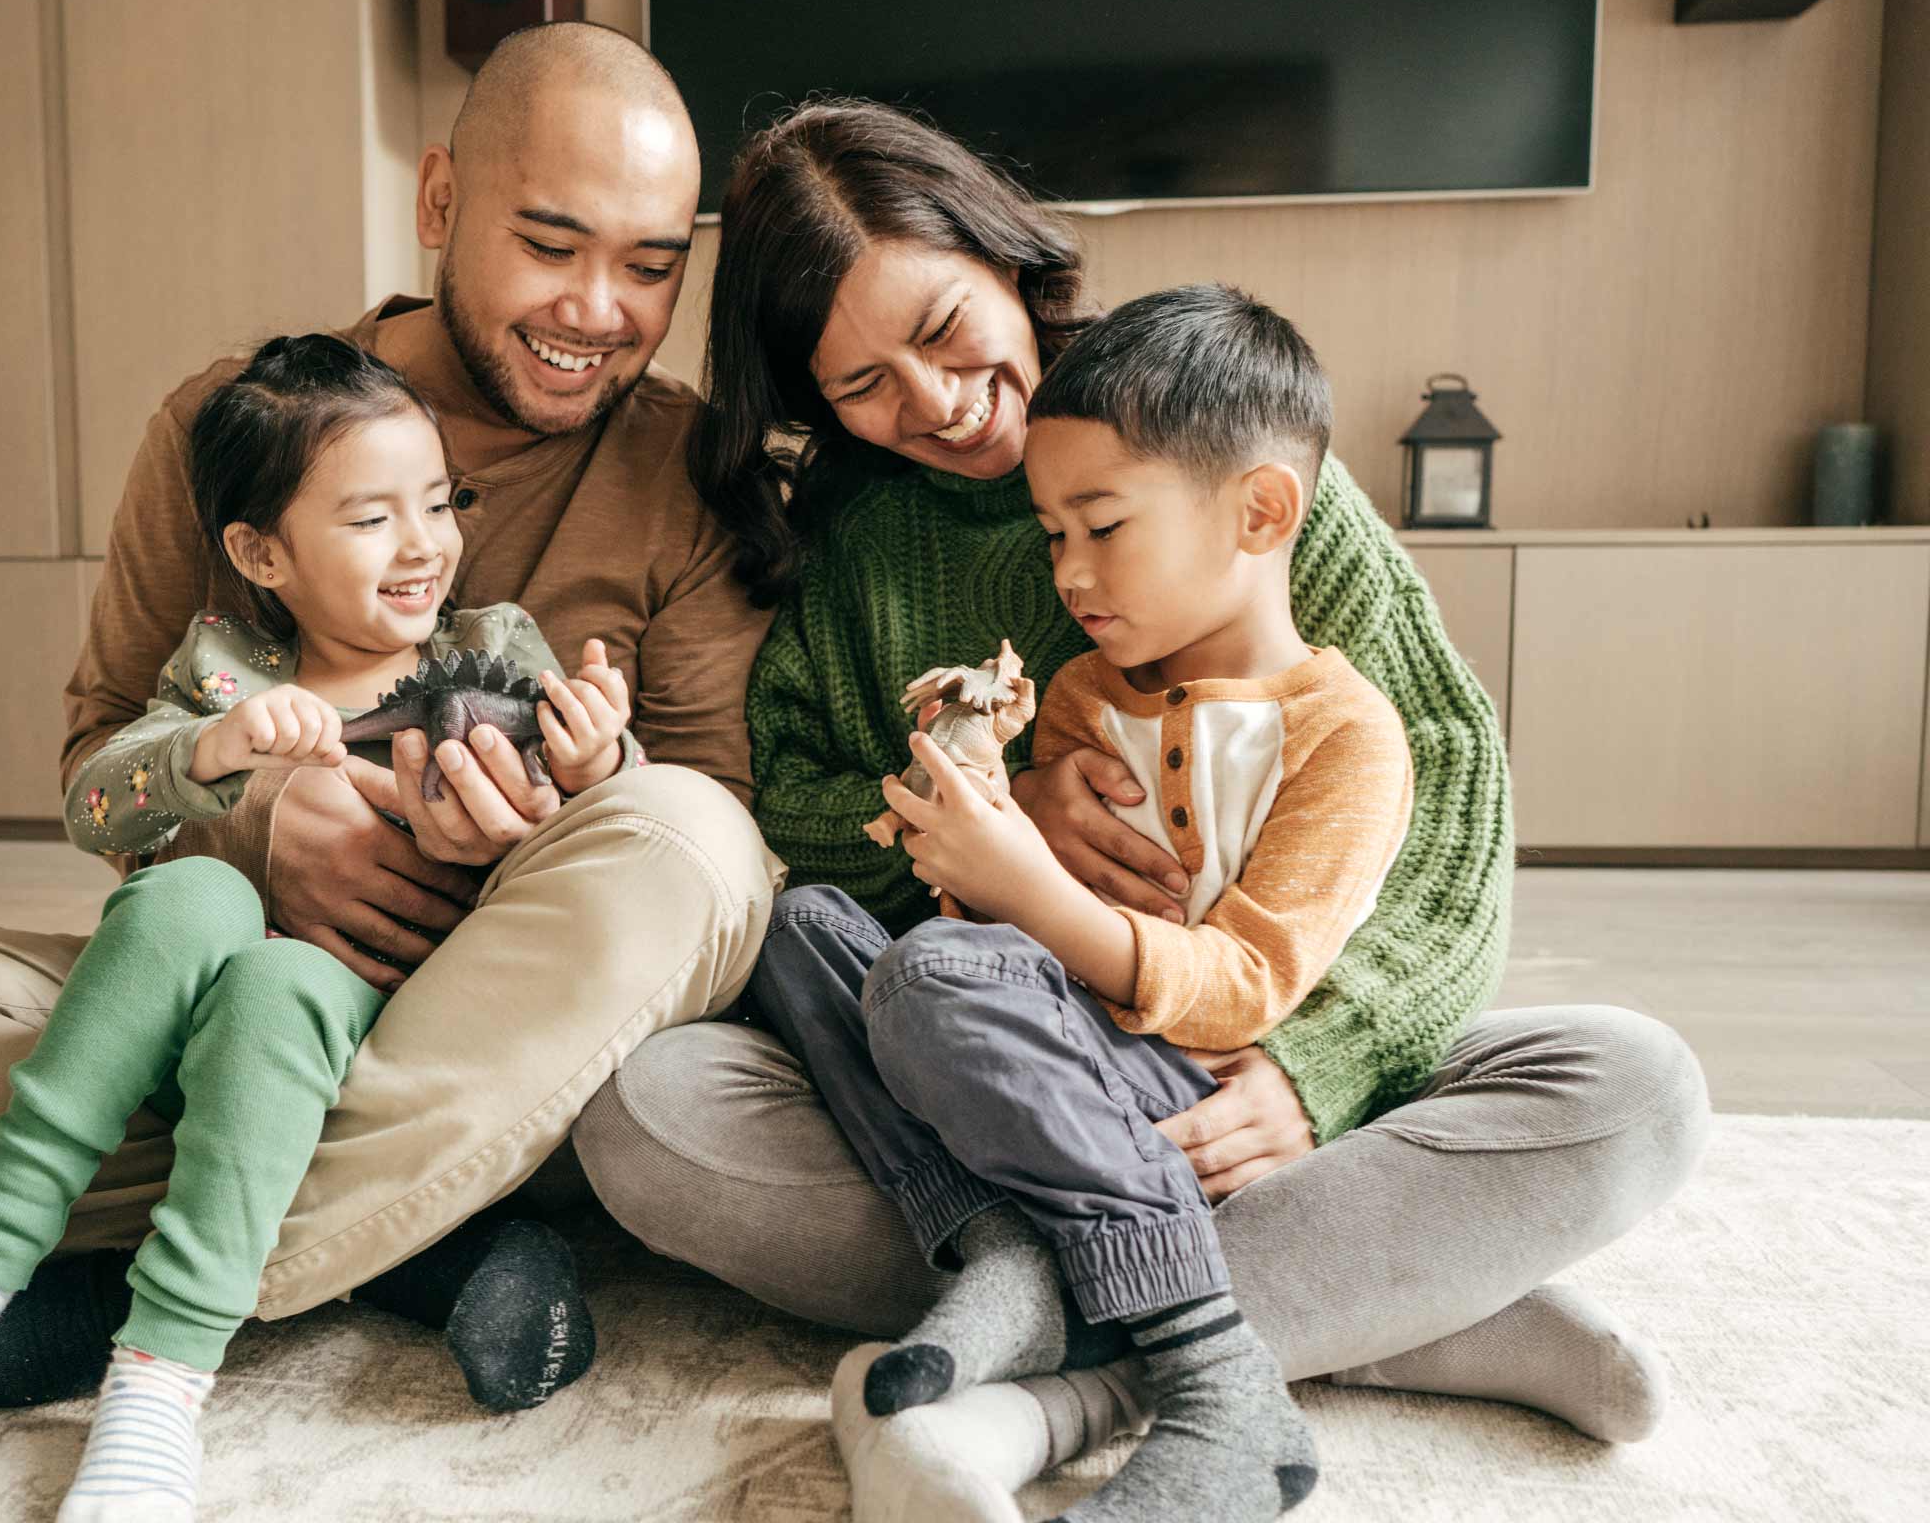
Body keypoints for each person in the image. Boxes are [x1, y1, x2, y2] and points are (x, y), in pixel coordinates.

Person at [570, 99, 1710, 1518]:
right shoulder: (853, 552)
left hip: (1237, 1054)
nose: (929, 402)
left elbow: (1449, 795)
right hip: (997, 1062)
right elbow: (781, 812)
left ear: (1001, 256)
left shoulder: (1224, 462)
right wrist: (997, 813)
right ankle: (1410, 1312)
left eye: (941, 328)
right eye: (860, 384)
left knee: (1632, 1083)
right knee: (651, 1112)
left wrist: (1318, 1068)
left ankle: (1075, 1372)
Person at [0, 23, 781, 1464]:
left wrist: (566, 803)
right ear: (442, 202)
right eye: (551, 244)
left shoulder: (683, 470)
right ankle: (399, 1237)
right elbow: (99, 753)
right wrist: (258, 817)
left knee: (693, 849)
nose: (600, 308)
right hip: (229, 988)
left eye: (652, 265)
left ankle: (81, 1309)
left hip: (498, 1021)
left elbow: (713, 847)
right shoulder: (233, 432)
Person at [0, 334, 642, 1519]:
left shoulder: (494, 651)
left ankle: (162, 1368)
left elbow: (602, 851)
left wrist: (597, 754)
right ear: (261, 553)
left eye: (437, 501)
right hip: (188, 1023)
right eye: (369, 519)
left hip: (396, 1035)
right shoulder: (222, 672)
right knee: (195, 898)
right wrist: (212, 755)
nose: (423, 544)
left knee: (281, 987)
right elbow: (92, 801)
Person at [755, 285, 1408, 1522]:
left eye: (1099, 527)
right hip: (1048, 1056)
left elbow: (1240, 991)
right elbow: (981, 934)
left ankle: (1212, 1370)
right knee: (799, 931)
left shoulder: (1345, 738)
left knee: (933, 977)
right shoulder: (1074, 701)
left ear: (1260, 511)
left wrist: (1025, 894)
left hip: (1191, 1088)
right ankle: (1002, 1243)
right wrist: (967, 794)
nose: (1066, 573)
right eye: (1051, 533)